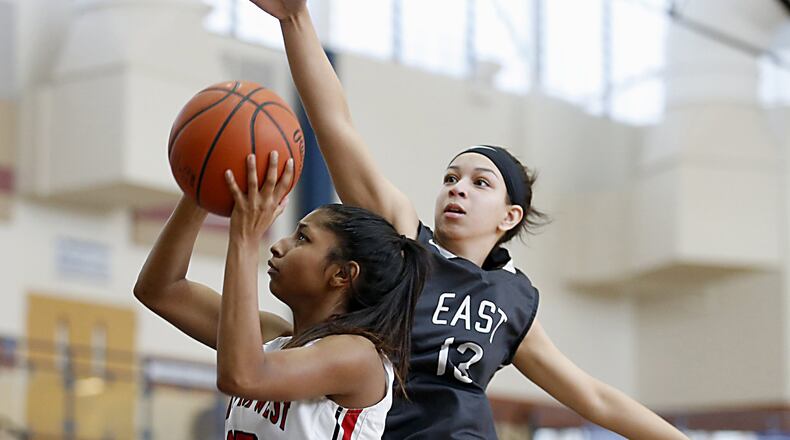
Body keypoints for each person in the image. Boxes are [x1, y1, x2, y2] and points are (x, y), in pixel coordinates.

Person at [247, 1, 689, 439]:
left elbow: (593, 398)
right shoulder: (403, 242)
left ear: (509, 216)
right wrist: (296, 19)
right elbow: (334, 125)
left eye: (481, 183)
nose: (458, 187)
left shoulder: (513, 299)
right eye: (451, 177)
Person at [134, 152, 429, 439]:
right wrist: (201, 191)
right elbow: (161, 290)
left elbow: (242, 377)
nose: (279, 246)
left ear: (342, 274)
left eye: (303, 238)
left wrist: (246, 238)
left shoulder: (357, 356)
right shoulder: (274, 337)